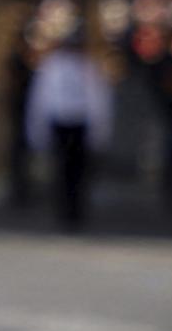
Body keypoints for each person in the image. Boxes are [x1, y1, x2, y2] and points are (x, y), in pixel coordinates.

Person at [23, 18, 115, 231]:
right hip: (60, 124)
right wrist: (38, 129)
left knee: (79, 171)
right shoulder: (51, 67)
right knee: (62, 170)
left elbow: (97, 101)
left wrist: (99, 130)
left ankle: (76, 212)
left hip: (79, 124)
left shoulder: (88, 67)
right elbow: (41, 100)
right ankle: (63, 211)